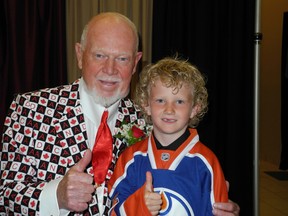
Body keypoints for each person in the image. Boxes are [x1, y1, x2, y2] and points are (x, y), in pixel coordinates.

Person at [0, 12, 240, 215]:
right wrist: (56, 197)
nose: (110, 69)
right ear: (79, 55)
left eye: (122, 58)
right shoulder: (32, 108)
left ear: (135, 63)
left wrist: (215, 207)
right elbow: (4, 193)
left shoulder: (153, 120)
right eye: (100, 55)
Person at [108, 57, 230, 215]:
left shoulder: (206, 163)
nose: (169, 109)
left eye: (179, 101)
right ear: (146, 105)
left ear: (194, 108)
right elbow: (113, 210)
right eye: (160, 100)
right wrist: (139, 204)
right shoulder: (131, 159)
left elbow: (219, 211)